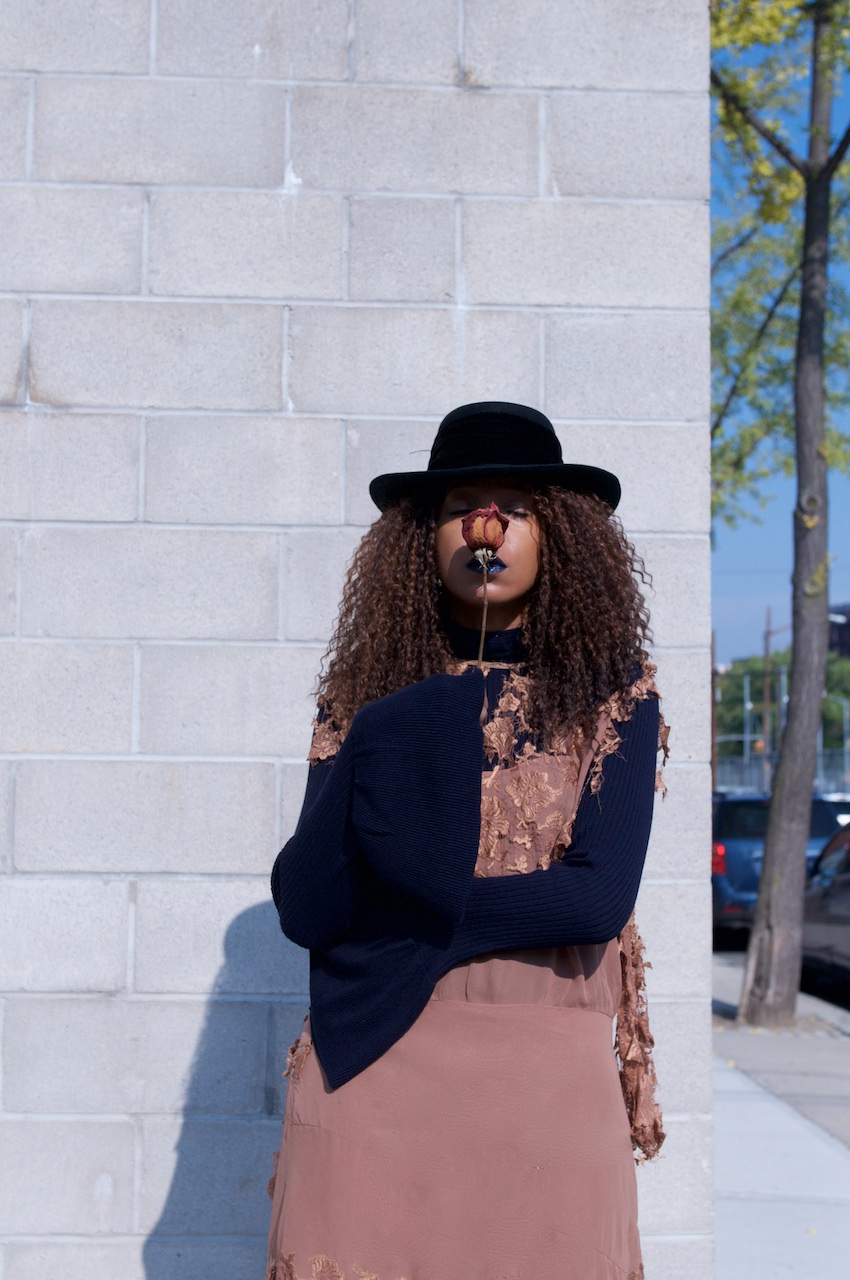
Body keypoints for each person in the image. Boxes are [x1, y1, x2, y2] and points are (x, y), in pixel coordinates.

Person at [267, 401, 668, 1280]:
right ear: (426, 537)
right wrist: (370, 741)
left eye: (513, 509)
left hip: (545, 1079)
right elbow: (307, 904)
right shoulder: (369, 695)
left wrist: (411, 922)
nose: (484, 528)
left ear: (554, 535)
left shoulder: (614, 692)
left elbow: (597, 897)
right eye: (460, 508)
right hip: (374, 1056)